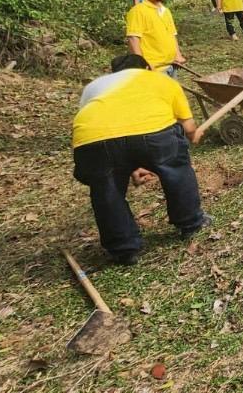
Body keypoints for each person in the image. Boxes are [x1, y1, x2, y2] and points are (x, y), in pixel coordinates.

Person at [72, 53, 211, 265]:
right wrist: (194, 134)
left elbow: (112, 130)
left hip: (92, 141)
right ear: (147, 68)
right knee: (176, 169)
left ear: (114, 73)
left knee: (106, 188)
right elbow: (189, 127)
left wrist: (129, 164)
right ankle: (190, 223)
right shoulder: (161, 79)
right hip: (154, 135)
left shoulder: (96, 86)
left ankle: (123, 248)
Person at [125, 0, 185, 75]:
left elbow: (172, 35)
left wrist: (178, 55)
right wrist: (141, 63)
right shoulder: (138, 11)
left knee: (170, 90)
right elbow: (133, 39)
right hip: (152, 67)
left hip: (171, 64)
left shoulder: (166, 11)